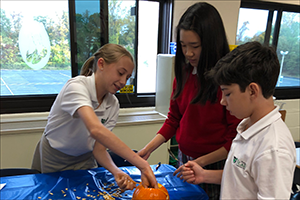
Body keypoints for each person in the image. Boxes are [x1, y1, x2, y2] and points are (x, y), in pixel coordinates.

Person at [137, 2, 241, 199]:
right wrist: (147, 149)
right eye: (183, 46)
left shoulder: (226, 82)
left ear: (211, 43)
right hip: (187, 159)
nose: (188, 53)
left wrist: (200, 163)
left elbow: (233, 140)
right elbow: (173, 119)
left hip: (214, 163)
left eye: (194, 46)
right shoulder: (184, 73)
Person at [31, 43, 158, 190]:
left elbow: (99, 149)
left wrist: (117, 171)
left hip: (86, 157)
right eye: (120, 73)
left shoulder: (113, 104)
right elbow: (95, 129)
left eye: (128, 77)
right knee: (55, 193)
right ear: (101, 64)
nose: (123, 82)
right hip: (55, 158)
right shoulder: (76, 87)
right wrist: (141, 164)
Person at [179, 41, 296, 199]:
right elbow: (242, 178)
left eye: (227, 94)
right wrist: (204, 175)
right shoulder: (247, 126)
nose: (223, 101)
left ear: (252, 90)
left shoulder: (273, 149)